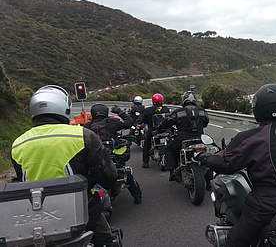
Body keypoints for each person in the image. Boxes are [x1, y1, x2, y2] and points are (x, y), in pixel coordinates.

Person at [198, 84, 276, 247]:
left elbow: (227, 164)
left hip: (264, 205)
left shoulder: (250, 137)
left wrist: (206, 159)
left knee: (235, 241)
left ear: (259, 108)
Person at [10, 85, 119, 245]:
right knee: (107, 241)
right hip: (80, 211)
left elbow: (23, 180)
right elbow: (109, 177)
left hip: (36, 217)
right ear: (64, 107)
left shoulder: (17, 144)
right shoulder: (83, 135)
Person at [85, 104, 142, 204]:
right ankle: (137, 197)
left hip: (94, 158)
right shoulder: (112, 122)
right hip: (111, 155)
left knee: (87, 175)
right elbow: (129, 122)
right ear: (105, 112)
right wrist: (120, 112)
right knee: (125, 172)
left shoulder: (87, 126)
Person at [158, 91, 209, 180]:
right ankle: (208, 179)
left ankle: (173, 171)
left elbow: (167, 122)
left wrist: (160, 127)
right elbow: (205, 123)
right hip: (200, 138)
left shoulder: (179, 112)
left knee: (169, 148)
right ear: (195, 100)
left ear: (184, 100)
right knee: (209, 153)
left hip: (183, 138)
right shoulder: (202, 111)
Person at [138, 93, 170, 168]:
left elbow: (143, 120)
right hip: (165, 130)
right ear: (162, 101)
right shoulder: (166, 109)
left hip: (153, 131)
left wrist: (140, 124)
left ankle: (145, 162)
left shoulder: (148, 110)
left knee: (146, 145)